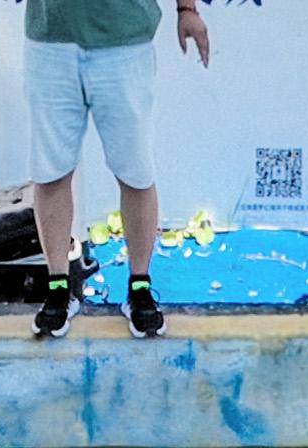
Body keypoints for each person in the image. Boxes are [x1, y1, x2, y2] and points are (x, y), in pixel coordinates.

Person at [26, 0, 212, 344]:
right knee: (51, 172)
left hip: (125, 45)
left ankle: (140, 286)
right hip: (51, 44)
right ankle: (57, 287)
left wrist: (187, 8)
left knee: (136, 173)